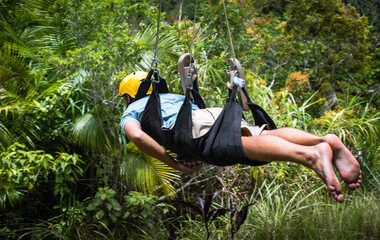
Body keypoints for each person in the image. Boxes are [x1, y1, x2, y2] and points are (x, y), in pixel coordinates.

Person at [119, 54, 362, 203]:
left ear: (129, 97)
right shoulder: (171, 97)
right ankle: (323, 140)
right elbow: (190, 113)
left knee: (238, 147)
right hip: (209, 115)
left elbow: (138, 136)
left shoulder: (133, 109)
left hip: (195, 128)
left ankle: (310, 154)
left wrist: (174, 164)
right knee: (262, 136)